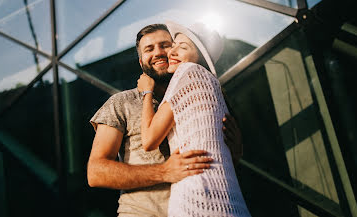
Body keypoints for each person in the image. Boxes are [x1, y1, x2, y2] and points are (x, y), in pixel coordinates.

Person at [87, 24, 243, 216]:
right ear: (140, 61)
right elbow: (96, 172)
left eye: (165, 45)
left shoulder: (204, 97)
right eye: (149, 49)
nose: (158, 53)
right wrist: (164, 171)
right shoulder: (121, 102)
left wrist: (234, 153)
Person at [137, 21, 251, 217]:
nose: (171, 52)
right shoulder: (213, 88)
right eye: (173, 46)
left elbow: (148, 140)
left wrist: (146, 91)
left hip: (196, 198)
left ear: (199, 57)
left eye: (182, 48)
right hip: (230, 200)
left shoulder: (186, 72)